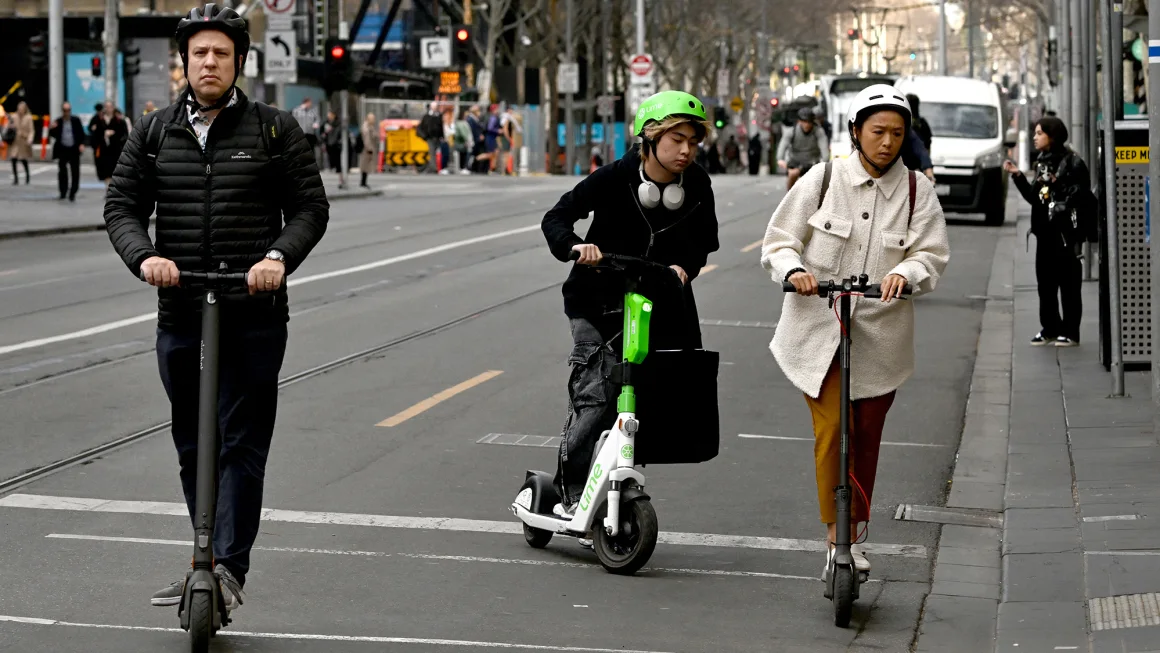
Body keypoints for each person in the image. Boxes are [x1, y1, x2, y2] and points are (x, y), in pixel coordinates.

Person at [102, 3, 329, 613]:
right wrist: (144, 257)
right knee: (191, 441)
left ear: (238, 63)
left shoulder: (275, 129)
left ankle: (225, 565)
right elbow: (121, 206)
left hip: (251, 310)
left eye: (221, 54)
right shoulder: (153, 133)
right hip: (181, 307)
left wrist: (277, 258)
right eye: (199, 53)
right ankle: (205, 550)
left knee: (241, 441)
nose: (209, 62)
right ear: (184, 63)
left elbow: (310, 209)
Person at [760, 84, 949, 575]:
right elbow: (779, 242)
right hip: (816, 333)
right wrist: (792, 271)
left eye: (897, 133)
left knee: (865, 435)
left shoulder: (917, 192)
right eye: (878, 131)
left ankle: (856, 531)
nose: (887, 142)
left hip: (880, 340)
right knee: (833, 430)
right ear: (855, 132)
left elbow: (930, 255)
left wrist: (905, 274)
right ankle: (835, 535)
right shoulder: (822, 179)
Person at [541, 90, 720, 519]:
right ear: (651, 138)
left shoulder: (696, 184)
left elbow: (705, 242)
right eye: (677, 139)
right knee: (599, 393)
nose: (686, 150)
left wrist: (685, 266)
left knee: (658, 391)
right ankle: (571, 493)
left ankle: (618, 474)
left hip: (657, 303)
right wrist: (576, 246)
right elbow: (557, 217)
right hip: (595, 301)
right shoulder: (613, 178)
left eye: (693, 141)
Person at [1004, 117, 1093, 347]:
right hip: (1044, 234)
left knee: (1069, 285)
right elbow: (1035, 198)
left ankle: (1071, 332)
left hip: (1065, 234)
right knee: (1045, 284)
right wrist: (1017, 175)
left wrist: (1057, 183)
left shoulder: (1073, 163)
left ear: (1052, 136)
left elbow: (1080, 196)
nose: (1035, 137)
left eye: (1039, 133)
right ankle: (1050, 328)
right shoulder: (1042, 162)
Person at [777, 107, 830, 190]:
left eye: (809, 122)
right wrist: (780, 159)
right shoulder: (792, 131)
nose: (807, 125)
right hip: (795, 161)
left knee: (817, 185)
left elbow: (824, 148)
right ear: (799, 121)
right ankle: (791, 197)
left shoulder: (818, 131)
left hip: (812, 162)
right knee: (792, 174)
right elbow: (783, 145)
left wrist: (825, 161)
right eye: (804, 122)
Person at [49, 101, 86, 201]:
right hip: (62, 149)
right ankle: (63, 191)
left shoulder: (75, 120)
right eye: (65, 110)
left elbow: (81, 134)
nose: (67, 112)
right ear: (62, 111)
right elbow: (52, 134)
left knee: (75, 172)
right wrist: (52, 128)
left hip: (74, 148)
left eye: (68, 110)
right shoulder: (59, 121)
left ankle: (73, 192)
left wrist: (81, 144)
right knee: (62, 171)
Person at [8, 101, 35, 185]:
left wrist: (30, 139)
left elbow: (31, 130)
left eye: (22, 109)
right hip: (15, 141)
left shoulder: (28, 118)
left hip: (23, 141)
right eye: (19, 109)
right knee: (13, 159)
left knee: (23, 160)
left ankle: (27, 176)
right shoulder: (14, 116)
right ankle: (16, 178)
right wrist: (10, 127)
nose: (20, 110)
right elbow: (9, 126)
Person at [417, 103, 444, 174]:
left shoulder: (439, 116)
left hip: (437, 137)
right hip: (430, 138)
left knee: (436, 153)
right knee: (432, 153)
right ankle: (434, 168)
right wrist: (424, 136)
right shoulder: (427, 116)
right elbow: (421, 127)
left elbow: (441, 127)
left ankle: (434, 167)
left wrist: (442, 136)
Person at [322, 110, 346, 189]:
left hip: (336, 145)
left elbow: (341, 133)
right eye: (328, 115)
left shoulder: (338, 123)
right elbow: (322, 133)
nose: (329, 116)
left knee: (338, 162)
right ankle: (330, 169)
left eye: (330, 115)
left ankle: (341, 180)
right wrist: (325, 134)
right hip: (329, 144)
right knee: (330, 160)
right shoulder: (326, 123)